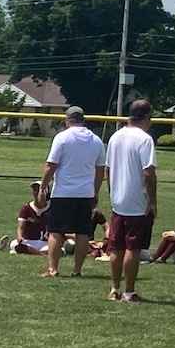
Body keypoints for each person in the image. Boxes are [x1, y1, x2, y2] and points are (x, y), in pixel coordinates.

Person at [39, 105, 107, 279]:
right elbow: (100, 170)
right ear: (83, 121)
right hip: (85, 193)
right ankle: (77, 270)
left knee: (55, 231)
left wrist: (42, 187)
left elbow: (51, 165)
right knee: (83, 233)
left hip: (62, 192)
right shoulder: (96, 140)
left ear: (67, 120)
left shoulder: (62, 138)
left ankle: (53, 269)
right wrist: (96, 191)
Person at [104, 99, 157, 302]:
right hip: (137, 200)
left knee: (116, 247)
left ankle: (114, 289)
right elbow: (148, 173)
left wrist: (113, 192)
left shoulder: (115, 137)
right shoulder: (144, 139)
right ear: (146, 117)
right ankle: (129, 291)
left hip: (118, 200)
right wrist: (152, 201)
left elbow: (108, 169)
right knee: (132, 248)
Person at [12, 181, 51, 257]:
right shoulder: (26, 208)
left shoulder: (52, 209)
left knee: (59, 249)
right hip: (29, 241)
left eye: (39, 190)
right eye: (34, 190)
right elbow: (20, 228)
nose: (36, 193)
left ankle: (32, 252)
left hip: (45, 242)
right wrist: (20, 237)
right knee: (14, 244)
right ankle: (41, 254)